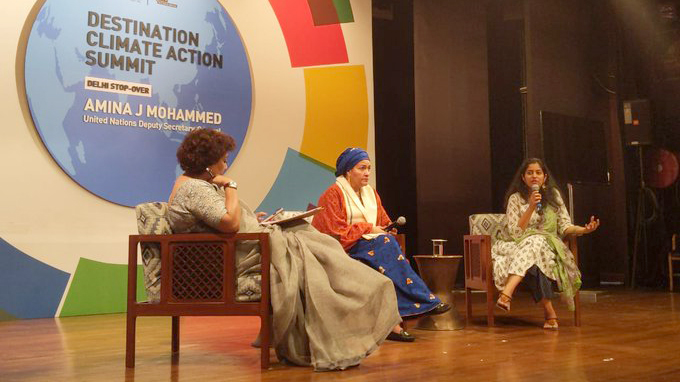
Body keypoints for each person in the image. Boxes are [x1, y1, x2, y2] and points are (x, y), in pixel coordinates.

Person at [166, 129, 401, 371]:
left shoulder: (192, 186)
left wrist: (253, 219)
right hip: (234, 258)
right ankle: (366, 295)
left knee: (311, 239)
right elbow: (231, 223)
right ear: (208, 162)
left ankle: (360, 296)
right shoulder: (194, 188)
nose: (226, 167)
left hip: (238, 248)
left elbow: (222, 220)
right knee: (313, 247)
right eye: (223, 160)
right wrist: (231, 186)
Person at [312, 148, 450, 342]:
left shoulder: (371, 194)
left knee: (387, 245)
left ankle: (393, 324)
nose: (367, 172)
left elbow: (383, 222)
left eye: (369, 168)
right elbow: (334, 233)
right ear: (348, 171)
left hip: (371, 249)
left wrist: (387, 229)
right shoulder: (332, 195)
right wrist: (369, 229)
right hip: (344, 251)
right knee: (386, 245)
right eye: (362, 168)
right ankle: (423, 300)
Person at [492, 158, 600, 329]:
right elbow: (515, 232)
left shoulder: (554, 197)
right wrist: (530, 207)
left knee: (537, 242)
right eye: (530, 173)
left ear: (545, 177)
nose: (534, 176)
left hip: (549, 246)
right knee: (535, 261)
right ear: (523, 177)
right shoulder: (516, 199)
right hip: (518, 245)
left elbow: (565, 226)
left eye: (538, 172)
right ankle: (549, 312)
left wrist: (584, 230)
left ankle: (506, 293)